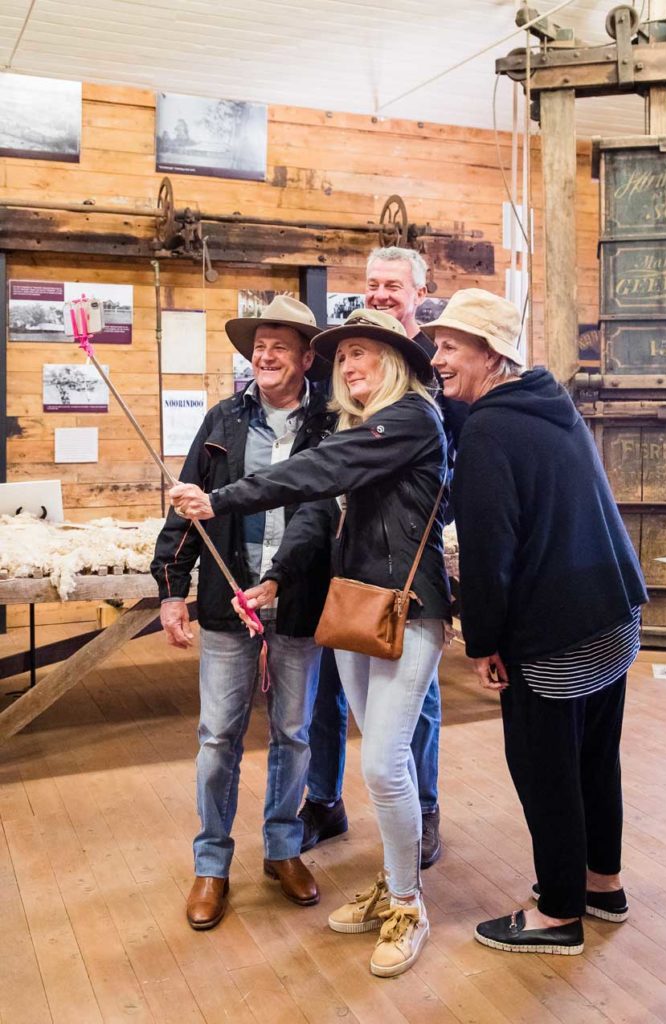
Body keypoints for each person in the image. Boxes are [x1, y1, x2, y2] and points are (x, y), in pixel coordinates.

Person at [170, 307, 452, 978]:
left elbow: (320, 471)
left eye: (365, 355)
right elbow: (320, 508)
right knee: (374, 766)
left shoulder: (411, 419)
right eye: (344, 357)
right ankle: (391, 880)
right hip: (351, 606)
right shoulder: (358, 426)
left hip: (407, 611)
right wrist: (274, 578)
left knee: (384, 765)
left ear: (399, 364)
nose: (351, 367)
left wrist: (224, 498)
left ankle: (408, 903)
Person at [426, 288, 647, 955]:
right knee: (592, 761)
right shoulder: (551, 404)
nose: (436, 358)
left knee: (544, 772)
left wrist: (482, 642)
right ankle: (600, 886)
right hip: (611, 613)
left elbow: (490, 549)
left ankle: (556, 914)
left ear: (490, 353)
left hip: (554, 634)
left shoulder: (491, 427)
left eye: (449, 346)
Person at [151, 296, 335, 930]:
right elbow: (187, 509)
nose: (265, 354)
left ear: (308, 357)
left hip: (300, 600)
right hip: (228, 607)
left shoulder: (329, 426)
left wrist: (283, 579)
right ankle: (212, 864)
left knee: (294, 732)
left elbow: (323, 510)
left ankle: (283, 848)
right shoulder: (224, 421)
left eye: (280, 344)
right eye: (259, 344)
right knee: (217, 737)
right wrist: (171, 589)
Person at [300, 246, 468, 869]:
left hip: (410, 564)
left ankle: (421, 812)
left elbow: (456, 467)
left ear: (419, 292)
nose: (380, 293)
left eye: (392, 285)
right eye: (372, 284)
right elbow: (331, 460)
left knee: (411, 708)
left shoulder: (433, 375)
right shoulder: (356, 367)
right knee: (336, 696)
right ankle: (327, 801)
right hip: (351, 564)